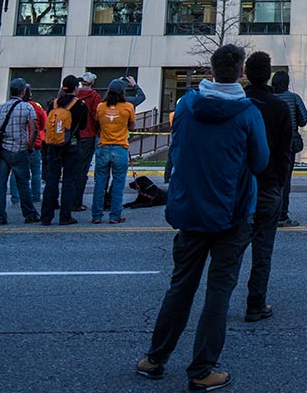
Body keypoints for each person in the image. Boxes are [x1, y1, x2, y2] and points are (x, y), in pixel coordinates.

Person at [136, 44, 267, 390]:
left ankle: (155, 358)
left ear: (211, 69)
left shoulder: (187, 106)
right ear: (240, 72)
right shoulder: (247, 113)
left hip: (190, 210)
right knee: (218, 292)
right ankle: (202, 369)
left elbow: (176, 151)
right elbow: (261, 162)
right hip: (232, 214)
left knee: (181, 286)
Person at [242, 51, 292, 323]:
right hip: (269, 185)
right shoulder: (279, 107)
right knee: (263, 249)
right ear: (269, 73)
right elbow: (285, 152)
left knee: (231, 249)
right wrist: (280, 182)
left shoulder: (238, 104)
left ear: (246, 74)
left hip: (238, 188)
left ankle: (219, 301)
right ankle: (255, 303)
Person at [93, 76, 146, 223]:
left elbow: (98, 124)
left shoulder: (100, 107)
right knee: (118, 183)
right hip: (120, 147)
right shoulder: (128, 107)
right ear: (122, 92)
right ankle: (115, 215)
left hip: (103, 147)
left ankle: (96, 215)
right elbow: (132, 126)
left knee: (100, 183)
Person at [0, 78, 40, 226]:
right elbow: (34, 128)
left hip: (3, 151)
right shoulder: (26, 107)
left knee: (0, 183)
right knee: (23, 183)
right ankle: (29, 213)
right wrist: (30, 146)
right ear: (23, 91)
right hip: (19, 149)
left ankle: (0, 216)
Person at [41, 76, 89, 226]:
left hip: (53, 145)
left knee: (51, 180)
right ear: (76, 88)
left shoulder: (53, 104)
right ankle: (65, 216)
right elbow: (82, 126)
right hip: (71, 145)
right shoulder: (80, 105)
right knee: (69, 180)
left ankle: (46, 216)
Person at [270, 71, 307, 227]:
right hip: (288, 143)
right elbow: (304, 119)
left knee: (270, 179)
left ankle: (269, 212)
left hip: (270, 142)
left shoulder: (269, 98)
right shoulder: (293, 98)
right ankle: (282, 215)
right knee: (285, 179)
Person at [73, 71, 103, 211]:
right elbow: (97, 116)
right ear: (92, 83)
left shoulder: (74, 95)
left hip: (71, 136)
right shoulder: (94, 97)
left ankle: (67, 199)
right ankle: (76, 201)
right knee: (82, 170)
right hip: (88, 135)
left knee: (71, 169)